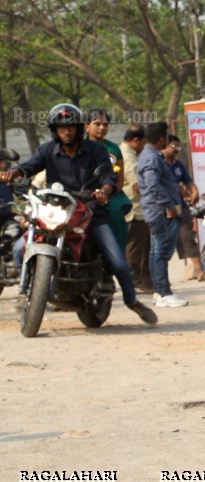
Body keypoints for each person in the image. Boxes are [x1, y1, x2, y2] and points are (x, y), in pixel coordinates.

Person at [0, 104, 157, 325]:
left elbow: (110, 178)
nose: (66, 132)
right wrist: (12, 173)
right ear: (54, 130)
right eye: (61, 128)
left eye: (71, 127)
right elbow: (28, 166)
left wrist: (103, 191)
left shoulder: (96, 150)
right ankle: (25, 292)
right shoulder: (47, 150)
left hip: (90, 211)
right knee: (19, 247)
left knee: (118, 262)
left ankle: (133, 301)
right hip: (57, 209)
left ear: (78, 128)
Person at [137, 123, 187, 308]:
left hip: (159, 210)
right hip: (160, 212)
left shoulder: (152, 156)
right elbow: (153, 186)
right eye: (166, 136)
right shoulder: (151, 159)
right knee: (161, 252)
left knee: (157, 251)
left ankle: (159, 291)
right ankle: (164, 292)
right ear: (161, 139)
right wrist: (169, 206)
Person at [85, 109, 132, 252]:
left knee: (116, 216)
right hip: (83, 193)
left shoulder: (113, 148)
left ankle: (117, 256)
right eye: (97, 124)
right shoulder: (79, 146)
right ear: (86, 126)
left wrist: (106, 193)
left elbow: (119, 180)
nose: (102, 127)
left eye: (105, 124)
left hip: (110, 195)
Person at [163, 135, 203, 281]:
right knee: (164, 241)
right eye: (173, 146)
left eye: (178, 147)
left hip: (180, 206)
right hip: (163, 207)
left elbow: (188, 181)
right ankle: (161, 276)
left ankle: (198, 269)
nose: (177, 150)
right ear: (164, 145)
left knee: (187, 235)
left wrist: (194, 191)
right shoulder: (159, 163)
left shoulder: (178, 165)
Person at [120, 124, 153, 292]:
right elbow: (136, 185)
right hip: (134, 209)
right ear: (136, 141)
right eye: (143, 143)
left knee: (142, 247)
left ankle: (143, 281)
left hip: (140, 209)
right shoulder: (127, 156)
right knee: (134, 248)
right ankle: (135, 282)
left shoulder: (130, 154)